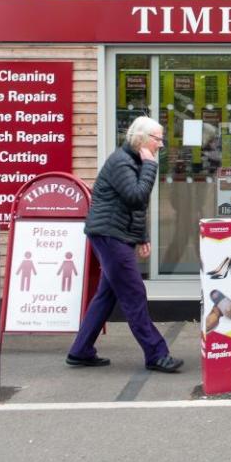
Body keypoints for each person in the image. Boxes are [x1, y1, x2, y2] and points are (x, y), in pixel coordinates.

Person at [66, 116, 183, 373]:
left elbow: (136, 208)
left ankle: (81, 350)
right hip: (110, 236)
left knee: (106, 296)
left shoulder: (132, 160)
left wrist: (142, 237)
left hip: (114, 234)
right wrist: (151, 167)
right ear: (142, 138)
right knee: (134, 293)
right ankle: (156, 353)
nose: (161, 145)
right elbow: (136, 197)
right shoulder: (122, 162)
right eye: (158, 139)